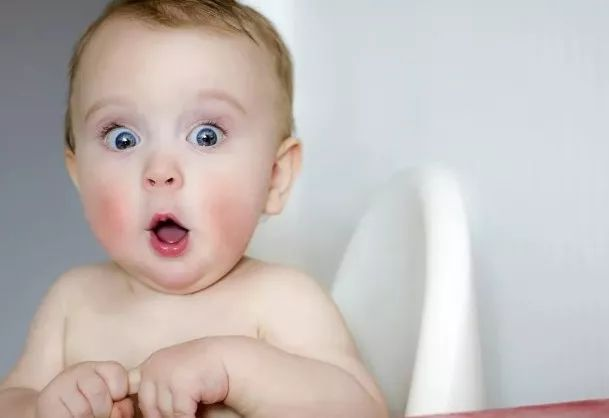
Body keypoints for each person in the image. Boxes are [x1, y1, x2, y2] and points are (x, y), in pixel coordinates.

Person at [0, 1, 388, 417]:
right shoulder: (72, 303)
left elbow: (364, 410)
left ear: (274, 177)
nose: (160, 171)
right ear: (80, 176)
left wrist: (234, 370)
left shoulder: (282, 299)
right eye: (122, 139)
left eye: (206, 136)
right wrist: (42, 408)